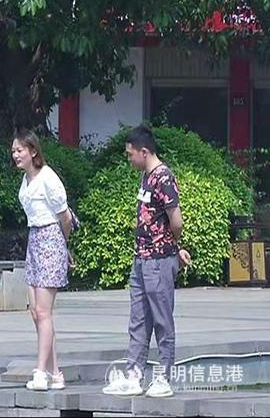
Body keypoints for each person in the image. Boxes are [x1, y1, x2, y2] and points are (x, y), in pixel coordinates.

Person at [103, 125, 191, 398]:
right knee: (138, 320)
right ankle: (134, 375)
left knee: (162, 319)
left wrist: (172, 247)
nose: (128, 159)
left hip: (159, 260)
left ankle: (163, 377)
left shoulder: (164, 177)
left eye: (130, 154)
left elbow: (176, 221)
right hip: (141, 259)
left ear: (144, 151)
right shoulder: (146, 176)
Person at [11, 129, 72, 391]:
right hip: (34, 239)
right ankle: (55, 372)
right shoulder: (26, 180)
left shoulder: (48, 178)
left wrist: (63, 246)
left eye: (20, 150)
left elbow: (65, 218)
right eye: (14, 151)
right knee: (36, 312)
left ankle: (40, 372)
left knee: (44, 312)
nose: (16, 155)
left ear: (33, 151)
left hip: (50, 238)